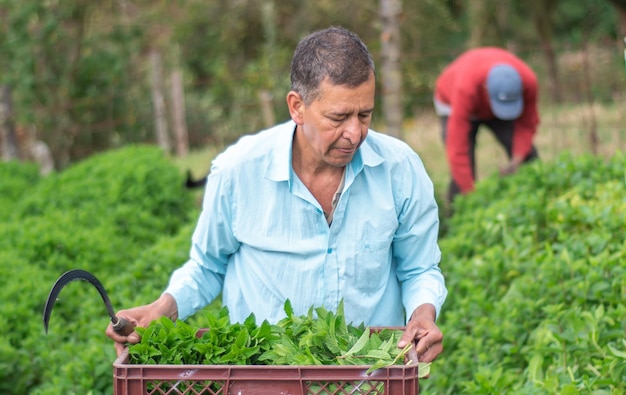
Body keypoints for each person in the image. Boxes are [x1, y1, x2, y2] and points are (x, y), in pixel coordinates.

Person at [107, 26, 447, 365]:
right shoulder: (238, 172)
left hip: (367, 372)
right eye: (338, 117)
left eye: (365, 114)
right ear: (297, 107)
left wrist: (422, 313)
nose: (355, 133)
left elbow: (419, 267)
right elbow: (208, 266)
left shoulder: (399, 169)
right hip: (265, 372)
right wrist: (162, 308)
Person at [433, 47, 540, 205]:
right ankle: (456, 217)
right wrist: (471, 196)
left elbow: (526, 124)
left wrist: (517, 160)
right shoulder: (465, 88)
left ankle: (536, 199)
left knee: (528, 157)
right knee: (462, 173)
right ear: (486, 90)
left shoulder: (528, 81)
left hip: (487, 99)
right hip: (452, 101)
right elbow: (457, 148)